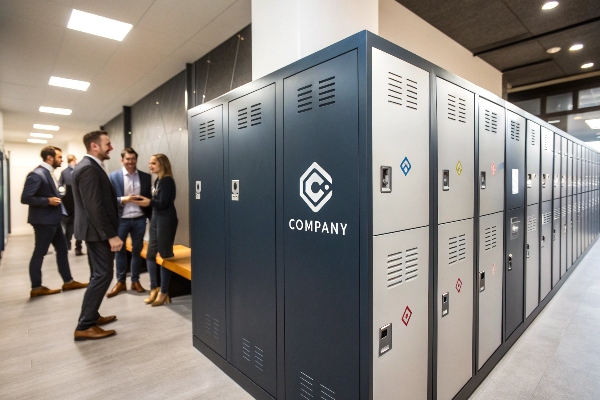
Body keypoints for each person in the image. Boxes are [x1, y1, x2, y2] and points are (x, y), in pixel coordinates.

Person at [72, 131, 123, 341]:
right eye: (108, 144)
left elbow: (98, 200)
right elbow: (94, 206)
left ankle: (91, 316)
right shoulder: (88, 169)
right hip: (97, 232)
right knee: (103, 275)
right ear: (95, 146)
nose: (111, 147)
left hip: (93, 231)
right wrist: (110, 235)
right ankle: (85, 325)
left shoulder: (88, 167)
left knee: (97, 274)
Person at [20, 146, 88, 298]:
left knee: (63, 250)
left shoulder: (48, 173)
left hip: (54, 220)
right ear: (49, 158)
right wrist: (47, 200)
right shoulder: (37, 174)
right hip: (44, 222)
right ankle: (36, 287)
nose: (62, 159)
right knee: (40, 252)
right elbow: (25, 198)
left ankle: (68, 281)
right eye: (59, 157)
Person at [132, 154, 178, 307]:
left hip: (166, 220)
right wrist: (146, 201)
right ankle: (154, 288)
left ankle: (164, 292)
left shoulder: (167, 181)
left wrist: (148, 202)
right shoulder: (158, 180)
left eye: (153, 163)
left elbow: (164, 203)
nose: (150, 166)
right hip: (156, 219)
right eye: (149, 163)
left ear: (162, 164)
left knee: (165, 255)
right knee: (150, 254)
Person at [106, 148, 152, 297]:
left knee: (137, 252)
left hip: (139, 219)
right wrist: (122, 200)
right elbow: (108, 200)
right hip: (121, 220)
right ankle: (120, 282)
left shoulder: (145, 177)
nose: (131, 162)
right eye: (128, 159)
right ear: (122, 160)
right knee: (119, 251)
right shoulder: (113, 177)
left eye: (133, 159)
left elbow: (148, 198)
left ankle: (135, 281)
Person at [58, 154, 84, 255]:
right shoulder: (68, 172)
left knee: (75, 224)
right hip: (71, 201)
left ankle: (74, 246)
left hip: (73, 201)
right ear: (72, 160)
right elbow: (60, 185)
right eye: (74, 160)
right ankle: (71, 245)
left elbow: (61, 186)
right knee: (73, 225)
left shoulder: (74, 171)